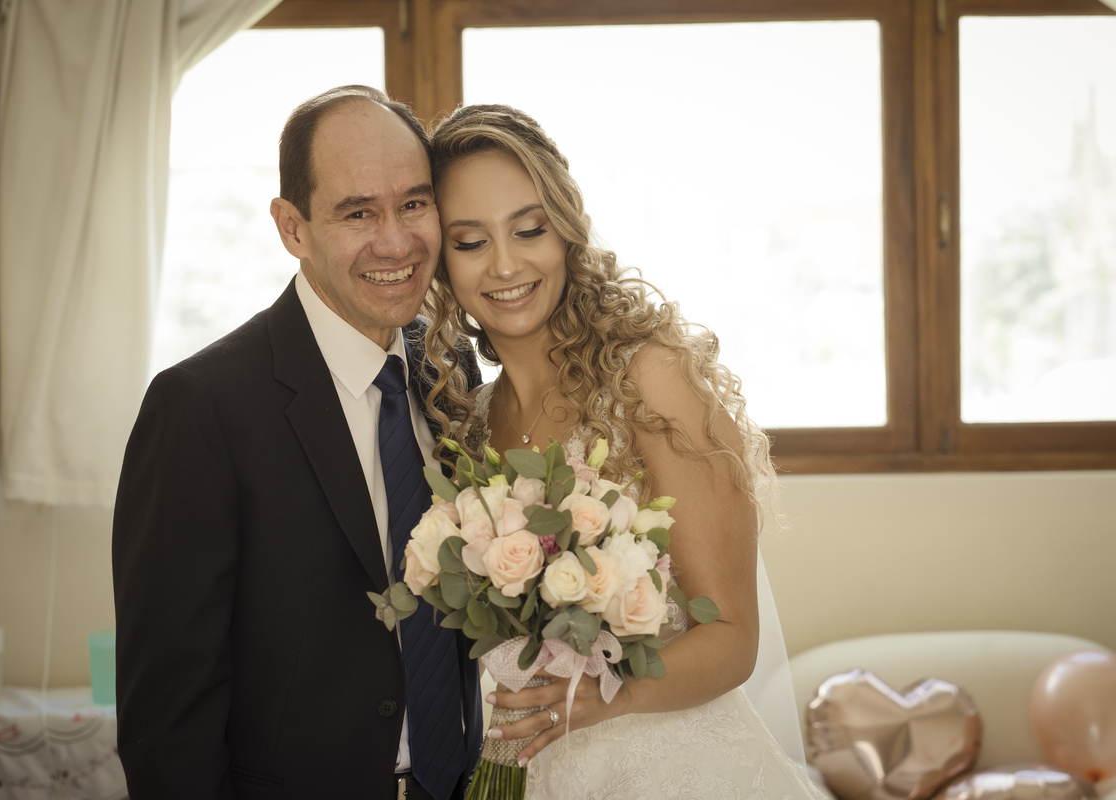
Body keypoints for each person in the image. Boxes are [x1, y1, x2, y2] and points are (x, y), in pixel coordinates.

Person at [419, 104, 824, 799]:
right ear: (440, 260)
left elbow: (730, 635)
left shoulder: (650, 376)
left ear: (567, 231)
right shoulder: (474, 423)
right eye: (470, 241)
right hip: (536, 769)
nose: (507, 264)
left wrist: (612, 700)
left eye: (529, 229)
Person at [111, 86, 483, 800]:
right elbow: (166, 722)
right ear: (292, 227)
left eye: (413, 202)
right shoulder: (199, 409)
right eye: (357, 213)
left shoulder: (451, 370)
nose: (397, 242)